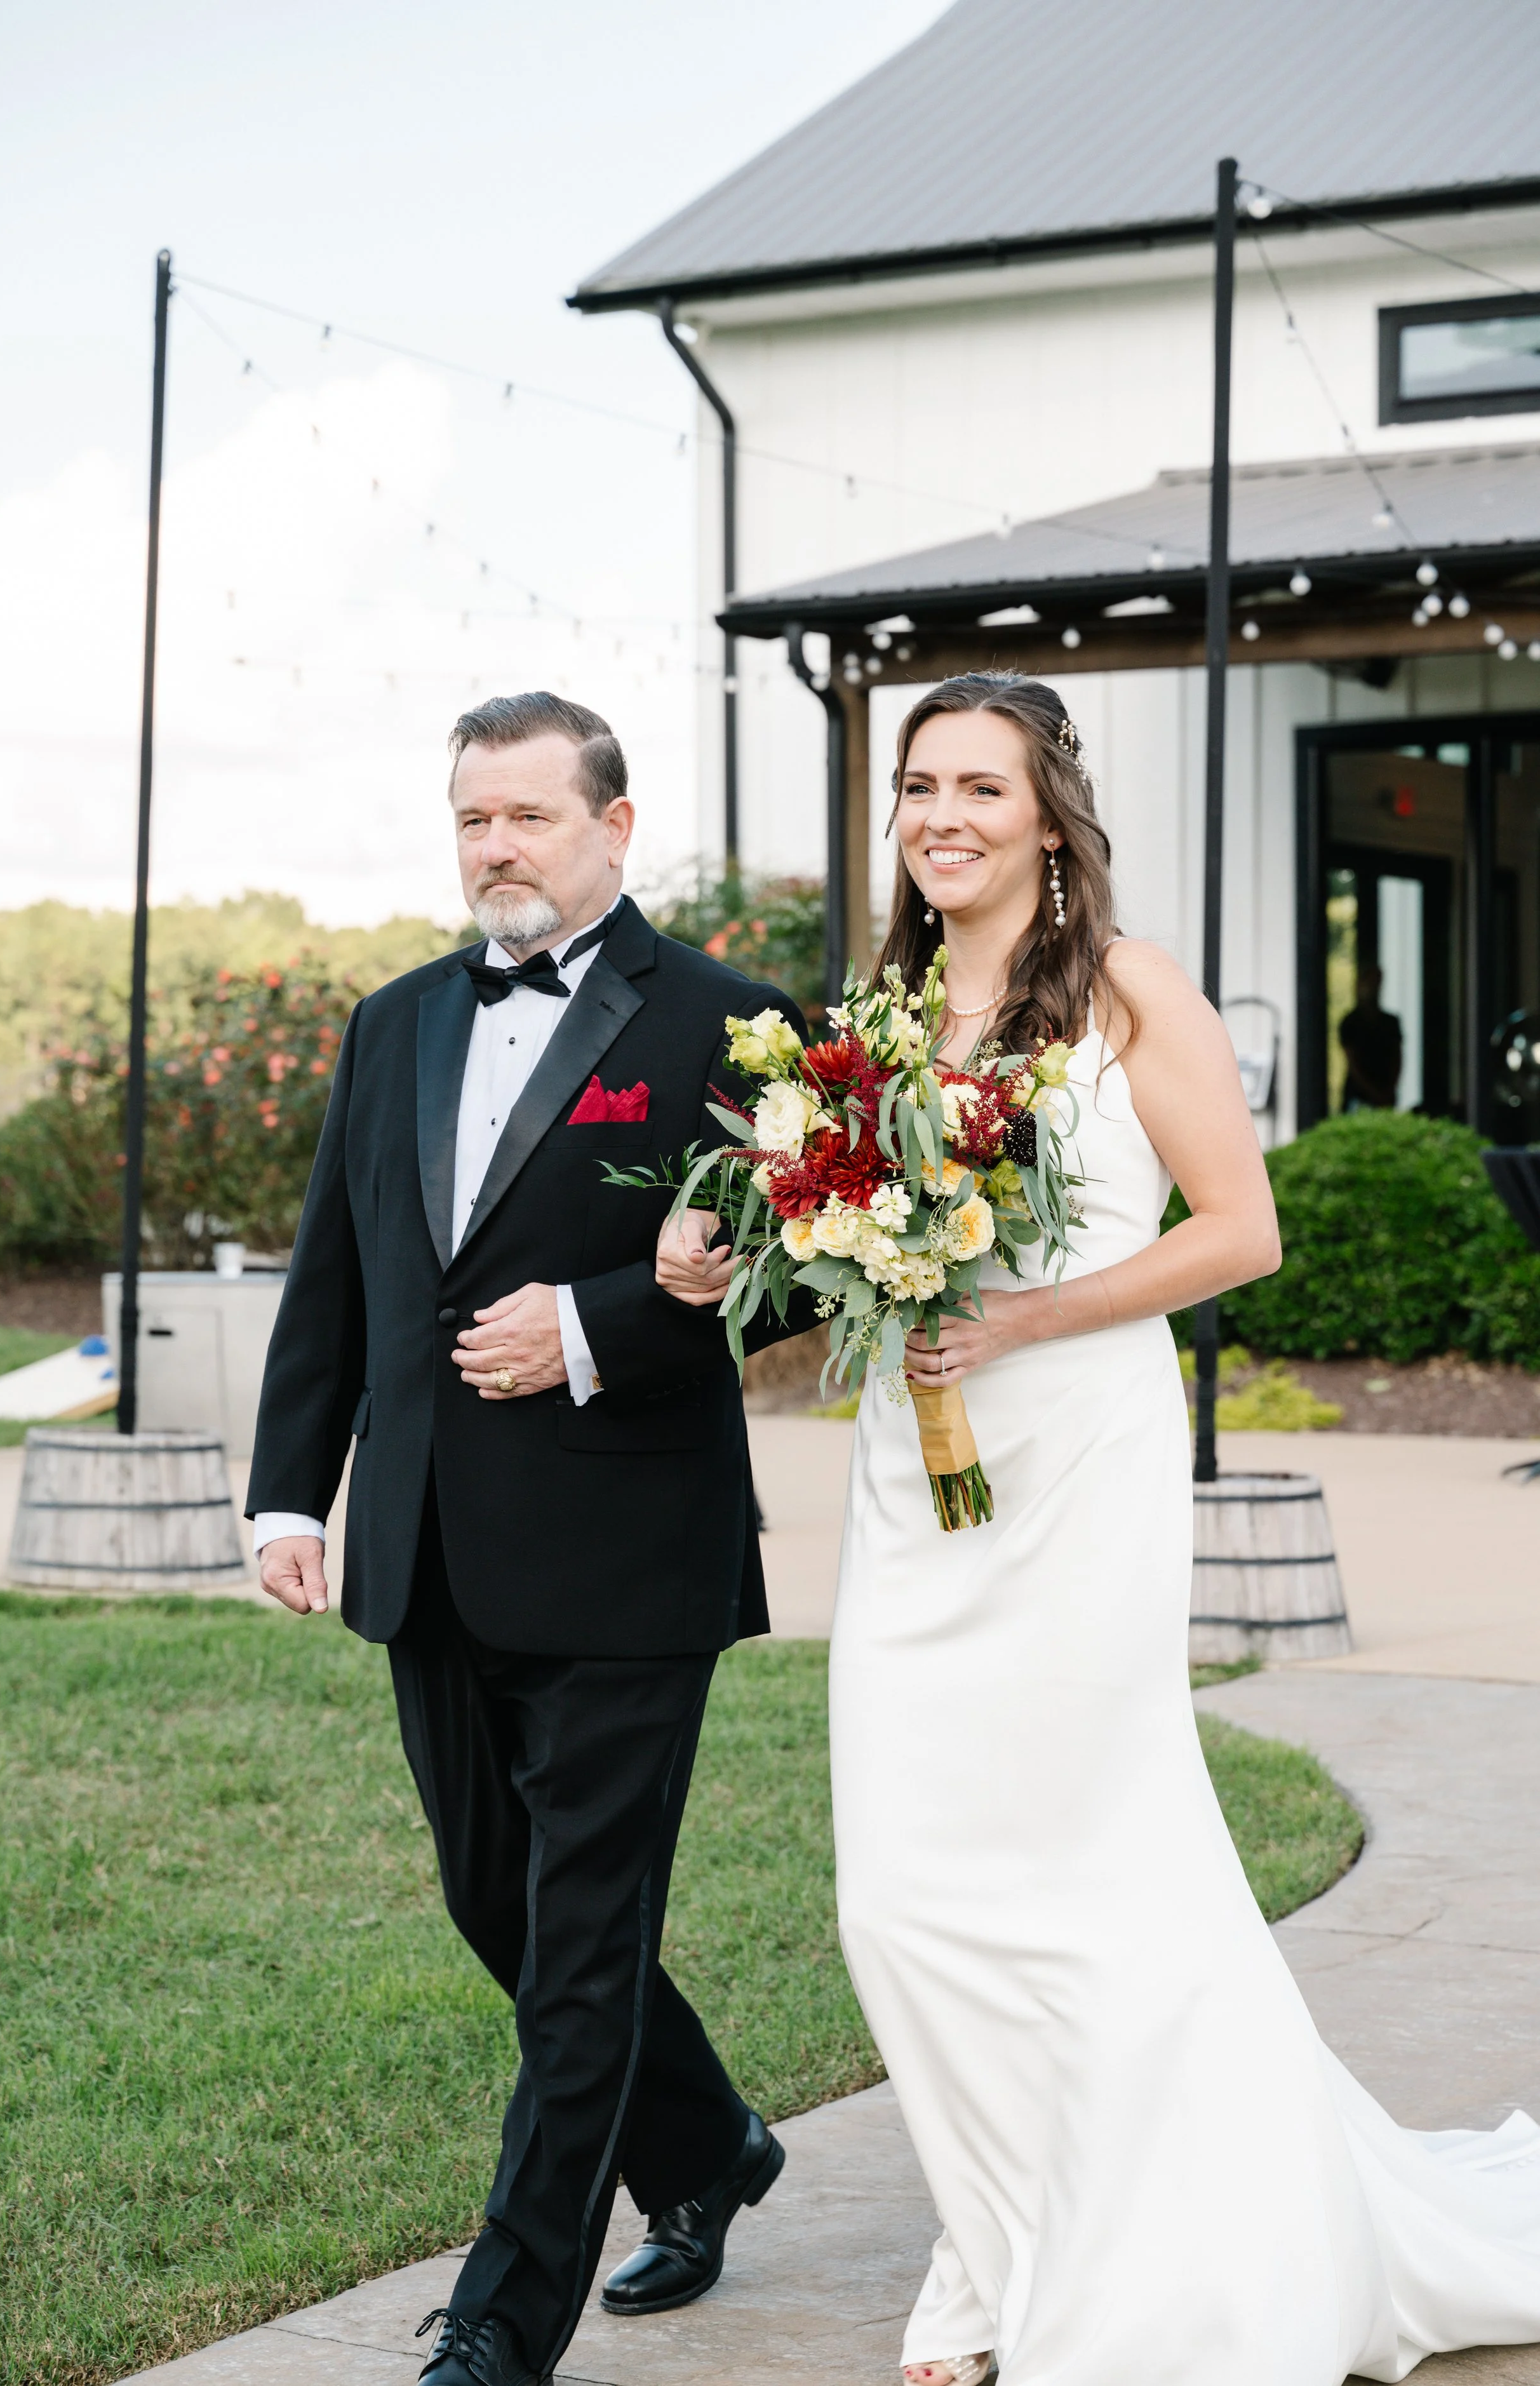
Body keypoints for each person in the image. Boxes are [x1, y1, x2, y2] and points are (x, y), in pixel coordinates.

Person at [657, 673, 1540, 2386]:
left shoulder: (1129, 989)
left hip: (1076, 1457)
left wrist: (1027, 1321)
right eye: (918, 783)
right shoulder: (880, 1011)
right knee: (903, 1901)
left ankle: (1076, 2265)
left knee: (1086, 1869)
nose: (942, 812)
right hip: (917, 1478)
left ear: (1047, 816)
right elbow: (832, 1225)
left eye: (978, 783)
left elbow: (1243, 1231)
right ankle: (999, 2232)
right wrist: (734, 1245)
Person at [247, 692, 807, 2386]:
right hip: (423, 1539)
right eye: (473, 818)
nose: (496, 847)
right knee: (498, 1898)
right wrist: (293, 1486)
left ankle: (504, 2310)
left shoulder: (736, 1025)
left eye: (529, 818)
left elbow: (794, 1269)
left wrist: (596, 1322)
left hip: (631, 1548)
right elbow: (337, 1271)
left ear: (614, 827)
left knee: (579, 1949)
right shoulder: (393, 1020)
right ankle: (707, 2137)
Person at [1339, 962, 1404, 1109]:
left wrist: (1388, 1090)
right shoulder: (1351, 1023)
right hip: (1359, 1094)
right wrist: (1377, 1092)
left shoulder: (1390, 1022)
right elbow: (1353, 1063)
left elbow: (1397, 1059)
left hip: (1383, 1090)